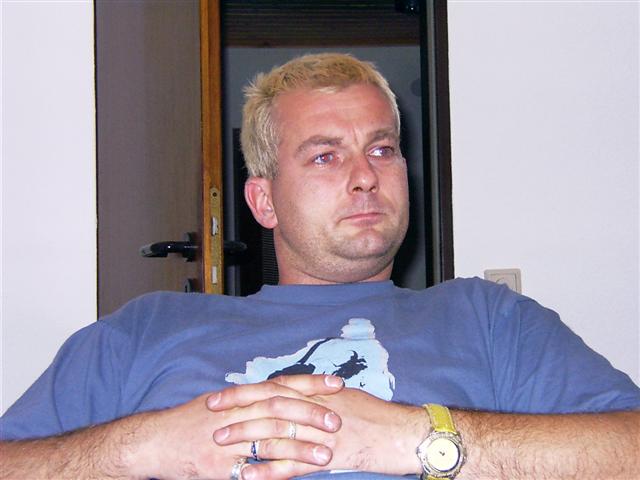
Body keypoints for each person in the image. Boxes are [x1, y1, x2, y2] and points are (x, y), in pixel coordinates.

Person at [1, 53, 638, 480]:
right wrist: (141, 448)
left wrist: (418, 438)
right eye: (325, 157)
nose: (366, 177)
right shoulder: (147, 329)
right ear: (263, 201)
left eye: (382, 149)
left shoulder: (488, 319)